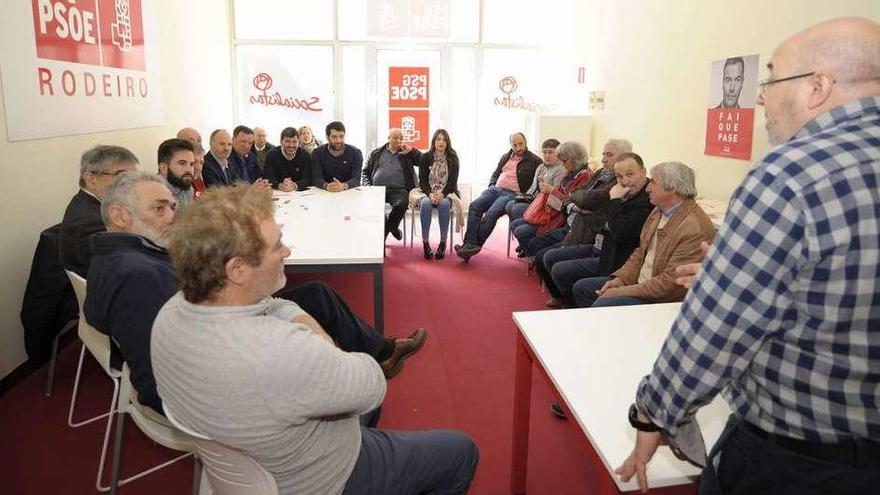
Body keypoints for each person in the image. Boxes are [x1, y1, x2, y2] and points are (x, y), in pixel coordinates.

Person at [617, 17, 880, 495]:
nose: (760, 96)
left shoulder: (791, 174)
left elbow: (715, 328)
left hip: (795, 461)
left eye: (772, 77)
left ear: (818, 87)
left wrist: (652, 410)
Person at [152, 185, 478, 495]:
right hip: (323, 477)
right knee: (461, 451)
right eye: (277, 244)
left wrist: (303, 324)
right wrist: (321, 341)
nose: (287, 251)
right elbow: (372, 381)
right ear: (237, 269)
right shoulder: (281, 351)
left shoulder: (171, 314)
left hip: (256, 461)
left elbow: (275, 304)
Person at [83, 171, 176, 415]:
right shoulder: (139, 277)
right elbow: (157, 384)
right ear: (120, 216)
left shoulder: (108, 252)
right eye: (159, 209)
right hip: (192, 398)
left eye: (172, 208)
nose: (172, 217)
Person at [570, 161, 715, 308]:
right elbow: (640, 252)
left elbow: (668, 286)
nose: (648, 188)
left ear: (672, 188)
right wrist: (621, 279)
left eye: (653, 182)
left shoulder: (695, 229)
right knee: (582, 288)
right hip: (640, 283)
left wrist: (621, 292)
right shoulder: (659, 210)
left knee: (603, 303)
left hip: (662, 300)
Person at [547, 152, 653, 308]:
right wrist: (610, 209)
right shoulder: (617, 189)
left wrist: (614, 201)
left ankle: (576, 310)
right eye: (619, 176)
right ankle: (570, 306)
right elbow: (597, 222)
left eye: (630, 174)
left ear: (643, 172)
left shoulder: (647, 200)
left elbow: (620, 234)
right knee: (553, 262)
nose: (624, 181)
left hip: (620, 262)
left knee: (575, 282)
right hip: (602, 249)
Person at [531, 139, 630, 285]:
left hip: (585, 232)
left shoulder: (607, 180)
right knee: (535, 244)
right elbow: (575, 194)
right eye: (603, 155)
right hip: (574, 224)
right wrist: (574, 200)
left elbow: (582, 199)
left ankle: (564, 296)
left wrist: (570, 198)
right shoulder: (600, 173)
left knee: (546, 256)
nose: (603, 160)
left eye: (609, 155)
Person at [455, 132, 542, 260]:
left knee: (491, 213)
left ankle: (471, 246)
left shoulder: (535, 161)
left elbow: (537, 184)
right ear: (511, 145)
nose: (518, 148)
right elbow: (496, 173)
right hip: (496, 190)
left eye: (520, 144)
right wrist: (491, 184)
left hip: (513, 194)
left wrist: (525, 195)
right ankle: (470, 244)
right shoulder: (506, 156)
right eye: (515, 145)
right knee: (475, 206)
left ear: (525, 142)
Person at [59, 145, 139, 276]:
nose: (132, 184)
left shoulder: (85, 202)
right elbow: (127, 264)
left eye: (134, 177)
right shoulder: (92, 223)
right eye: (122, 176)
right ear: (91, 179)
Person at [509, 141, 591, 257]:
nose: (562, 165)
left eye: (564, 161)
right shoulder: (567, 173)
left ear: (574, 158)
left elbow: (568, 204)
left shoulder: (584, 177)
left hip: (562, 220)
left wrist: (551, 191)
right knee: (514, 218)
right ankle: (532, 255)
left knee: (521, 226)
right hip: (554, 213)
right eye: (545, 152)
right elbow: (560, 199)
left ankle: (533, 256)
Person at [363, 128, 421, 240]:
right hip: (377, 190)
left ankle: (390, 229)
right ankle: (392, 229)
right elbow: (365, 172)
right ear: (388, 138)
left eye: (401, 138)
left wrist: (412, 150)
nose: (398, 140)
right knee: (377, 210)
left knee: (402, 204)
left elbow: (424, 161)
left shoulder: (406, 153)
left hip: (399, 190)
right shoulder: (376, 153)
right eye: (395, 138)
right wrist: (369, 187)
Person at [416, 129, 460, 259]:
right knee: (425, 205)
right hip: (427, 192)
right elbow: (422, 181)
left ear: (447, 143)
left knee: (444, 204)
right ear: (434, 141)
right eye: (438, 139)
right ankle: (425, 243)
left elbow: (452, 182)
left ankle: (443, 242)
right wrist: (430, 194)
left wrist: (442, 194)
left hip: (446, 192)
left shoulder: (452, 158)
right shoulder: (425, 157)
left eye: (444, 140)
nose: (441, 142)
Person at [505, 138, 563, 225]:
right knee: (509, 204)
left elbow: (556, 197)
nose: (547, 156)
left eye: (550, 152)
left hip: (545, 206)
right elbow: (533, 187)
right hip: (534, 199)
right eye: (544, 152)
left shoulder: (561, 170)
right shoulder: (541, 167)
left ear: (558, 154)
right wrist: (524, 198)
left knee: (516, 209)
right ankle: (524, 226)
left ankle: (528, 228)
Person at [310, 121, 363, 192]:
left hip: (348, 192)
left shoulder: (356, 153)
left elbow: (356, 179)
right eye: (334, 137)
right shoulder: (317, 153)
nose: (338, 140)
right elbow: (316, 178)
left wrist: (343, 186)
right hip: (325, 192)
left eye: (341, 136)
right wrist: (327, 186)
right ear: (327, 137)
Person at [263, 127, 312, 191]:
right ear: (281, 142)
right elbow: (268, 177)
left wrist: (294, 185)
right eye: (287, 141)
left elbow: (308, 178)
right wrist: (279, 185)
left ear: (299, 142)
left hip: (299, 193)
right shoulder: (271, 154)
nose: (291, 145)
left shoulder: (305, 155)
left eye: (294, 142)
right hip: (278, 192)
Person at [156, 138, 196, 210]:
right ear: (163, 168)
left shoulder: (188, 189)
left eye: (192, 164)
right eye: (182, 163)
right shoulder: (153, 195)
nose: (189, 169)